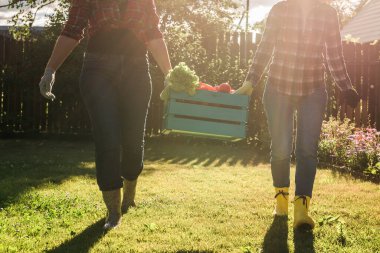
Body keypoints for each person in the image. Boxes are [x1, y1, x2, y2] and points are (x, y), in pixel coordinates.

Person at [38, 0, 172, 230]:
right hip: (97, 70)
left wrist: (169, 72)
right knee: (107, 139)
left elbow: (152, 31)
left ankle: (130, 195)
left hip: (137, 70)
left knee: (133, 142)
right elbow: (73, 28)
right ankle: (113, 212)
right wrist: (50, 70)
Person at [234, 0, 359, 229]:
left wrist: (345, 87)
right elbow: (265, 47)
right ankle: (281, 202)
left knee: (307, 151)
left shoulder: (328, 13)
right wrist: (251, 81)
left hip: (312, 89)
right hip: (278, 88)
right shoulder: (280, 9)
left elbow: (334, 54)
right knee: (281, 148)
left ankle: (301, 210)